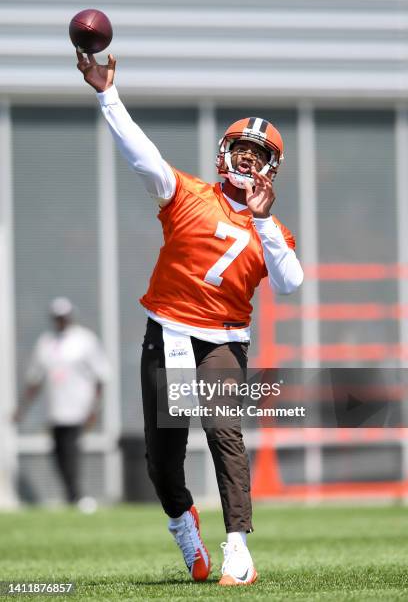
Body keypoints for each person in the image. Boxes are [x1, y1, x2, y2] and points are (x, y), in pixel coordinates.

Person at [75, 50, 303, 585]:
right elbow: (142, 155)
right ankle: (184, 526)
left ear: (269, 168)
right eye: (241, 150)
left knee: (225, 433)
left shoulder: (272, 230)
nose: (247, 161)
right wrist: (107, 93)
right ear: (225, 154)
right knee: (162, 456)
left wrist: (265, 222)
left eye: (257, 154)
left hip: (222, 342)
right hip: (169, 332)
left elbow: (291, 282)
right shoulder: (188, 196)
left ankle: (239, 549)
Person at [15, 297, 110, 505]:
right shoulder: (46, 342)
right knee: (59, 454)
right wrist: (22, 408)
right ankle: (72, 494)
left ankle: (75, 495)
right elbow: (35, 379)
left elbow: (101, 377)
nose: (60, 321)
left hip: (78, 407)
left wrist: (95, 408)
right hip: (55, 409)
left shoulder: (85, 340)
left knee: (70, 452)